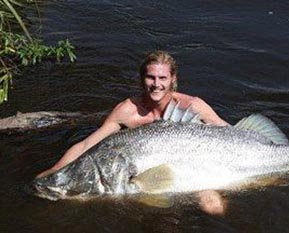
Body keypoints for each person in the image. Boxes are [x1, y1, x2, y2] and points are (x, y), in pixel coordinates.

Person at [37, 50, 229, 215]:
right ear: (142, 79)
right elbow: (88, 144)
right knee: (142, 206)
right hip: (144, 170)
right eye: (150, 77)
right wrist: (57, 169)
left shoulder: (192, 106)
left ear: (173, 80)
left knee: (213, 208)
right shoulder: (127, 111)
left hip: (194, 167)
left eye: (162, 78)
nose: (156, 84)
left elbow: (228, 133)